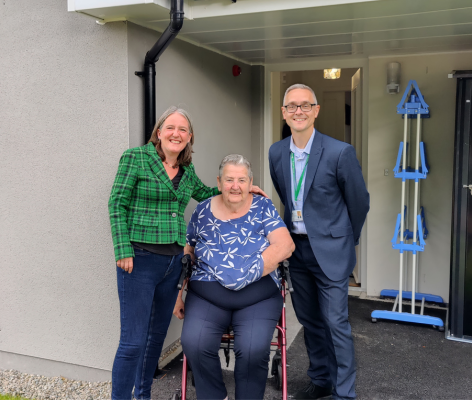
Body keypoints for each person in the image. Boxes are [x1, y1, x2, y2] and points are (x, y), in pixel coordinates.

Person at [108, 107, 266, 400]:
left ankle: (142, 395)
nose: (176, 134)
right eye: (170, 128)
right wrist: (122, 249)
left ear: (189, 137)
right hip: (139, 260)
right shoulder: (136, 158)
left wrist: (241, 190)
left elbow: (207, 194)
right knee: (133, 342)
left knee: (155, 339)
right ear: (159, 132)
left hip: (172, 263)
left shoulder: (186, 170)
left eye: (183, 130)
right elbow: (117, 203)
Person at [268, 84, 370, 400]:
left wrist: (344, 241)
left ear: (316, 110)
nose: (299, 111)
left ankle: (344, 393)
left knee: (336, 323)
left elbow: (359, 202)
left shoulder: (340, 152)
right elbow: (287, 196)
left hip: (331, 252)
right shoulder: (276, 152)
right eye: (292, 106)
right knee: (310, 320)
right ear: (284, 113)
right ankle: (321, 379)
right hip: (297, 251)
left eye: (305, 105)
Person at [173, 154, 294, 400]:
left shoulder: (263, 207)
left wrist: (244, 273)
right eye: (229, 180)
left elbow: (285, 245)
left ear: (250, 183)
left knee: (252, 350)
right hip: (207, 295)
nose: (235, 186)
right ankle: (215, 395)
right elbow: (189, 250)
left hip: (257, 297)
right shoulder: (203, 209)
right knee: (194, 343)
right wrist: (177, 295)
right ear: (219, 182)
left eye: (241, 180)